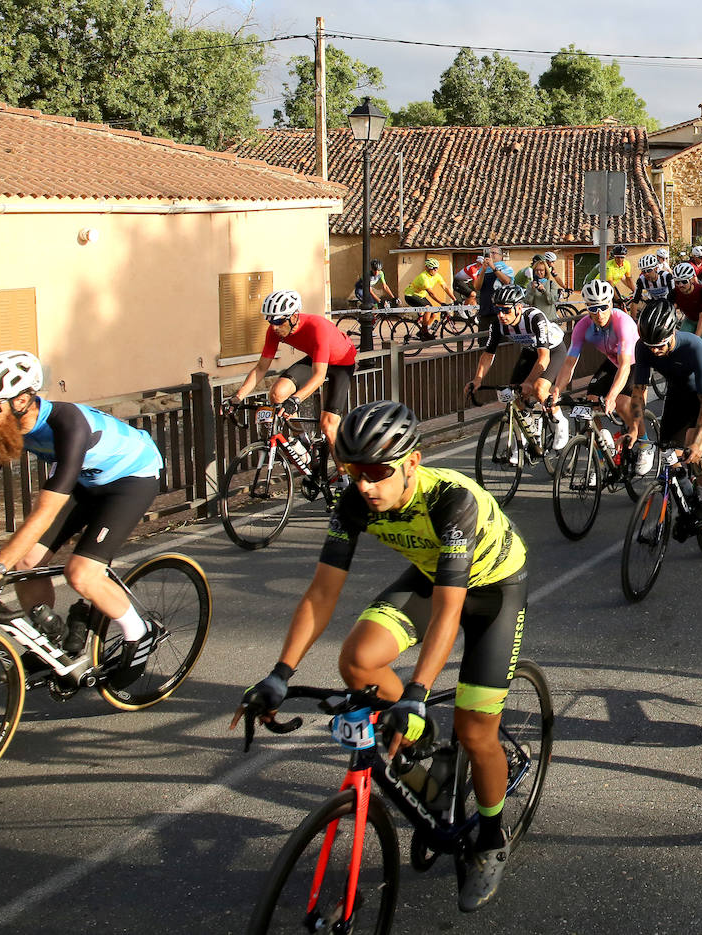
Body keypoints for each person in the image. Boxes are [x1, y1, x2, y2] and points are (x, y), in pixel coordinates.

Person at [233, 401, 528, 912]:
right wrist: (280, 674)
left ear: (412, 462)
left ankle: (491, 839)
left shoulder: (450, 500)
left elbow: (449, 612)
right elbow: (322, 593)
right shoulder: (353, 502)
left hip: (493, 590)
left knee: (477, 730)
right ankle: (429, 750)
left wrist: (415, 694)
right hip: (434, 575)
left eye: (376, 471)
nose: (365, 485)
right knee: (358, 661)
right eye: (352, 471)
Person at [0, 351, 164, 687]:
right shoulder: (7, 426)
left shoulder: (67, 424)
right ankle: (49, 647)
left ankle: (139, 632)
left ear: (22, 400)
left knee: (81, 574)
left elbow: (46, 510)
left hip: (131, 479)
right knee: (25, 562)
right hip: (87, 480)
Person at [226, 290, 359, 457]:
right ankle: (302, 440)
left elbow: (318, 376)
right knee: (277, 393)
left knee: (329, 426)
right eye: (269, 320)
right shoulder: (274, 331)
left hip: (341, 364)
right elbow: (261, 368)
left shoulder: (318, 327)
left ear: (294, 316)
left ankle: (345, 478)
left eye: (279, 321)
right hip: (316, 358)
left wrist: (295, 400)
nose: (273, 326)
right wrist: (238, 396)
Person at [627, 301, 702, 522]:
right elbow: (639, 393)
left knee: (693, 445)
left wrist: (697, 443)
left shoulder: (693, 347)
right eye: (650, 346)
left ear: (672, 333)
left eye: (660, 345)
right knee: (666, 448)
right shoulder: (643, 347)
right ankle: (686, 491)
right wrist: (634, 430)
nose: (655, 351)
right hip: (678, 389)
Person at [552, 280, 651, 473]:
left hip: (634, 363)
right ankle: (602, 457)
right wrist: (557, 389)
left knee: (622, 403)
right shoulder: (583, 326)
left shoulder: (623, 322)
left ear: (611, 304)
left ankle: (645, 444)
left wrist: (612, 397)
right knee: (589, 404)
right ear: (587, 308)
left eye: (603, 307)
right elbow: (569, 362)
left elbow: (624, 366)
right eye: (593, 308)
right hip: (613, 363)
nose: (599, 313)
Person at [466, 284, 570, 451]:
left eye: (506, 310)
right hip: (530, 351)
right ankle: (523, 440)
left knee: (539, 389)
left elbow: (544, 358)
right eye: (497, 309)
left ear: (519, 307)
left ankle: (559, 420)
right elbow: (488, 355)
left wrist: (529, 382)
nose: (501, 315)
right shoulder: (497, 324)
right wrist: (477, 379)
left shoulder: (535, 318)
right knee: (514, 394)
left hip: (552, 350)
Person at [404, 258, 456, 340]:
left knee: (434, 314)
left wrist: (454, 299)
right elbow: (431, 293)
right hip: (411, 295)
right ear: (428, 268)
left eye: (437, 268)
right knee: (428, 308)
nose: (436, 270)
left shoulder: (437, 276)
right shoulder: (423, 277)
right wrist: (441, 302)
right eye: (433, 269)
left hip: (420, 296)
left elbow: (445, 287)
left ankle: (422, 331)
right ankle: (425, 333)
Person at [673, 261, 702, 344]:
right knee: (680, 343)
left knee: (700, 345)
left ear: (692, 279)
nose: (680, 285)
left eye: (684, 281)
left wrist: (696, 339)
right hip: (690, 319)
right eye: (677, 282)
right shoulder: (675, 292)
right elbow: (670, 310)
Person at [475, 247, 515, 330]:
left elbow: (507, 281)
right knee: (484, 339)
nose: (491, 255)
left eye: (493, 253)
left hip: (502, 312)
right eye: (489, 253)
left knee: (501, 340)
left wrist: (493, 268)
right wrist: (483, 270)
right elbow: (477, 287)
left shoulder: (506, 269)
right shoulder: (482, 270)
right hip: (485, 310)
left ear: (500, 256)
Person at [525, 256, 562, 322]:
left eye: (541, 270)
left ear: (546, 271)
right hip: (536, 319)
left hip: (550, 319)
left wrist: (544, 291)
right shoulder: (530, 284)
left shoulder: (551, 284)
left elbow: (552, 301)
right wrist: (532, 290)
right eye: (536, 270)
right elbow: (528, 302)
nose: (539, 272)